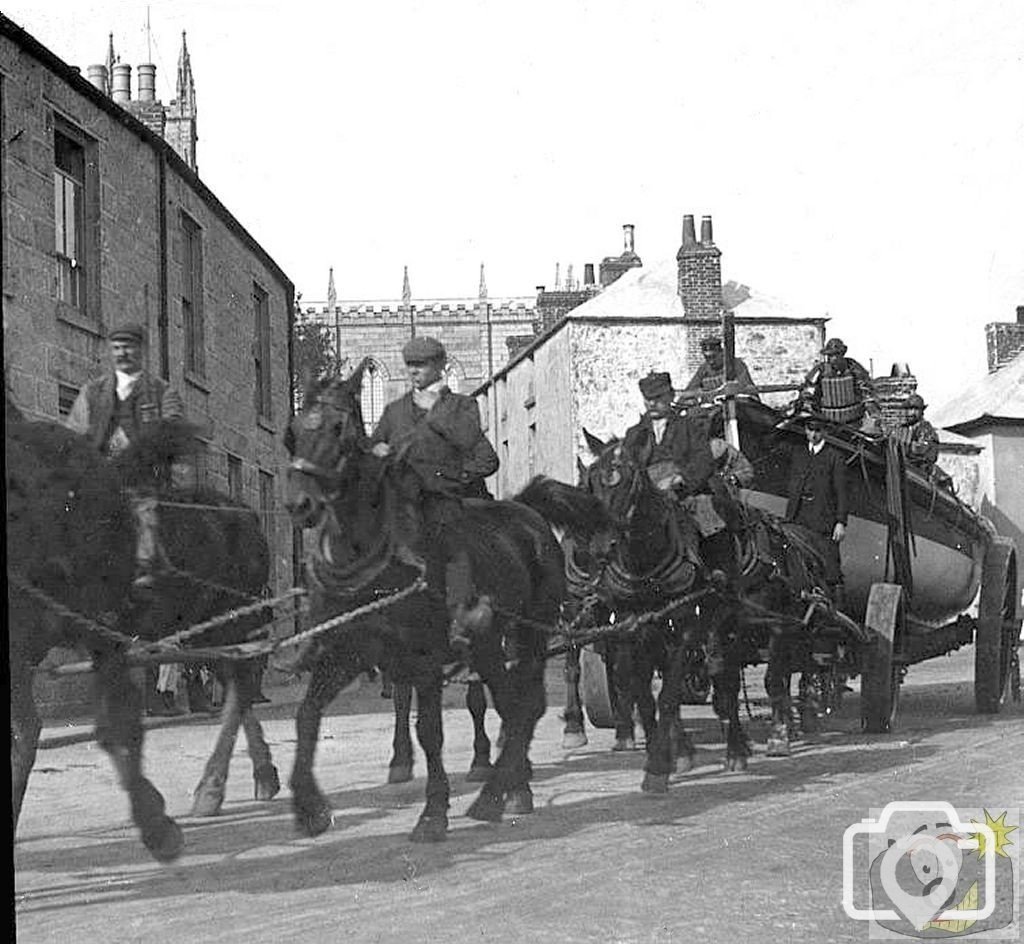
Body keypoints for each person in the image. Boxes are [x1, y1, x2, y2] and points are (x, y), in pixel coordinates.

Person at [66, 322, 185, 715]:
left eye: (130, 348)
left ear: (141, 351)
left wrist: (149, 445)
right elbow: (75, 437)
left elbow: (174, 431)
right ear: (109, 352)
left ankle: (146, 572)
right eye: (117, 348)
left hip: (143, 487)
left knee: (146, 518)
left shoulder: (160, 392)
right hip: (100, 487)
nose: (123, 355)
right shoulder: (93, 393)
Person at [370, 335, 499, 649]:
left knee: (453, 542)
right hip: (402, 499)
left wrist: (436, 411)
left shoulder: (462, 406)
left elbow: (471, 441)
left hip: (443, 499)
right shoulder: (395, 411)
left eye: (422, 365)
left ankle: (458, 618)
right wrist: (377, 449)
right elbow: (374, 444)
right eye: (410, 366)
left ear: (440, 367)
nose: (414, 372)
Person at [784, 418, 849, 609]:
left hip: (823, 519)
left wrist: (840, 522)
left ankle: (838, 609)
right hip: (799, 516)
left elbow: (842, 492)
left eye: (818, 431)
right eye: (810, 430)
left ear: (825, 432)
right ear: (805, 430)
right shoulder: (799, 453)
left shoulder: (834, 457)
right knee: (797, 561)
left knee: (830, 565)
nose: (813, 435)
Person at [799, 337, 875, 427]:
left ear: (842, 353)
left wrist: (868, 403)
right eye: (830, 355)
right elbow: (808, 390)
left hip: (854, 418)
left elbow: (866, 387)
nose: (834, 358)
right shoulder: (821, 369)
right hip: (826, 420)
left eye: (837, 354)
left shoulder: (852, 366)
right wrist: (809, 404)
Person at [683, 336, 760, 401]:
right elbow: (689, 391)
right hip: (711, 412)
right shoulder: (703, 369)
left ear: (722, 353)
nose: (711, 362)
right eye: (707, 358)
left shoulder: (736, 365)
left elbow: (749, 391)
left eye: (714, 357)